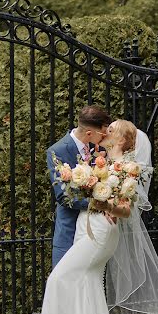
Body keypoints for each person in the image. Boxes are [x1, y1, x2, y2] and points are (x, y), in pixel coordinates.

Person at [34, 119, 158, 314]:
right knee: (86, 289)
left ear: (123, 140)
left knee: (58, 280)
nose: (105, 132)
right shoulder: (98, 160)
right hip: (85, 229)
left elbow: (124, 211)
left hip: (100, 234)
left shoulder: (128, 168)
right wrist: (89, 190)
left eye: (111, 130)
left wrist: (102, 202)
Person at [47, 105, 111, 267]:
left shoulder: (101, 150)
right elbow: (63, 196)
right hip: (69, 231)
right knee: (64, 283)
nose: (105, 137)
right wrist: (100, 204)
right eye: (103, 133)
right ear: (89, 133)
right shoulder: (57, 151)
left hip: (97, 230)